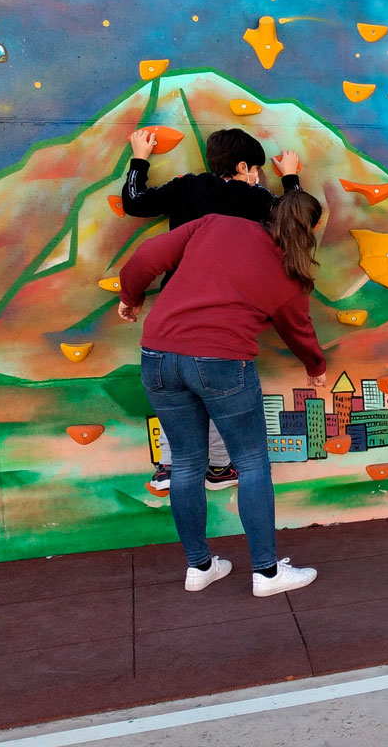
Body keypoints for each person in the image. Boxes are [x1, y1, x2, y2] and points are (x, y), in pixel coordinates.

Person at [118, 188, 327, 596]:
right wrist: (316, 367)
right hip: (222, 362)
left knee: (186, 463)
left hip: (158, 354)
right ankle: (266, 574)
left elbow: (145, 258)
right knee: (251, 463)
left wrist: (131, 296)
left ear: (270, 213)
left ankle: (199, 567)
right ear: (312, 228)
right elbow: (299, 330)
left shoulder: (216, 223)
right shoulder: (291, 274)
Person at [121, 126, 301, 495]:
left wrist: (140, 157)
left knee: (176, 397)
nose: (259, 176)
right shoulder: (256, 198)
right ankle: (219, 467)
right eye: (257, 169)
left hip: (175, 309)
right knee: (223, 392)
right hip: (231, 315)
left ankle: (170, 466)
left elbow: (134, 202)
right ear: (242, 166)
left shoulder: (187, 187)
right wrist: (291, 179)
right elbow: (297, 219)